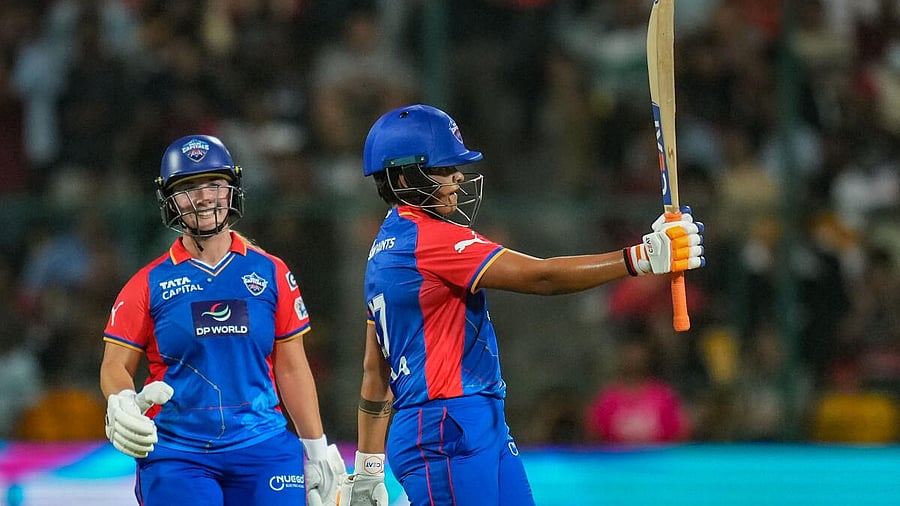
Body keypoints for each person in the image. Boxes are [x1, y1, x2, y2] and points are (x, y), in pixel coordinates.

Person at [338, 104, 706, 505]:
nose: (458, 176)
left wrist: (369, 468)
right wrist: (639, 259)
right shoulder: (430, 239)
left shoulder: (382, 251)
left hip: (464, 423)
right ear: (405, 175)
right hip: (446, 425)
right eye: (443, 168)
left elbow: (376, 372)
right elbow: (541, 276)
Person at [99, 134, 346, 506]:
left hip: (265, 449)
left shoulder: (272, 273)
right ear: (168, 198)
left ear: (232, 189)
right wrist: (121, 400)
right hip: (178, 452)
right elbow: (115, 364)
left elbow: (293, 368)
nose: (203, 197)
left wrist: (317, 450)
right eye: (189, 187)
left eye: (214, 184)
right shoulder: (146, 284)